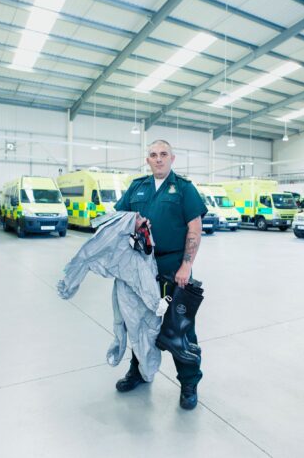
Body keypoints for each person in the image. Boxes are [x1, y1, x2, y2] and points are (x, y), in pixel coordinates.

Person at [114, 139, 207, 410]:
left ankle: (189, 383)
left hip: (172, 267)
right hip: (140, 266)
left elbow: (195, 227)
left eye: (163, 154)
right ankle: (139, 371)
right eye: (153, 155)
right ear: (148, 160)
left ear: (172, 158)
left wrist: (186, 266)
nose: (158, 159)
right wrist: (134, 220)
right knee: (138, 322)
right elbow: (119, 218)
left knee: (181, 328)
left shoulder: (184, 189)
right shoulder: (137, 187)